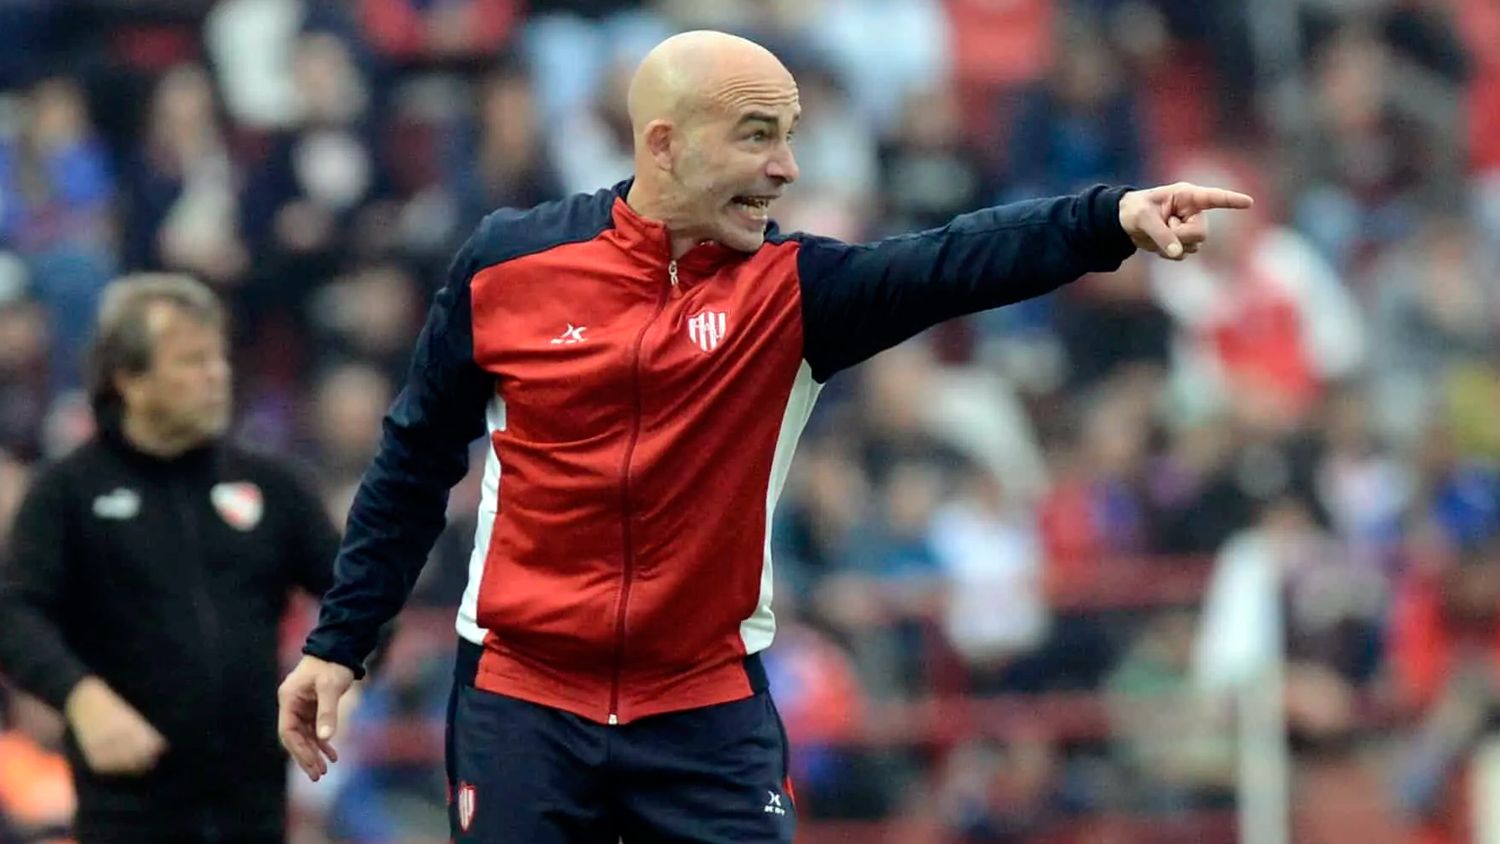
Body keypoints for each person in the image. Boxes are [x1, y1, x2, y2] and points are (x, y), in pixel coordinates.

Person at [278, 30, 1253, 844]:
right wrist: (340, 643)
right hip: (521, 698)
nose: (786, 168)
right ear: (664, 144)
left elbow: (952, 261)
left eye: (790, 137)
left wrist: (1108, 220)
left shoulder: (794, 293)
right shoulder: (507, 264)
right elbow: (412, 461)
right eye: (758, 137)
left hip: (703, 710)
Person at [0, 273, 341, 843]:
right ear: (129, 380)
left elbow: (357, 591)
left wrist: (344, 673)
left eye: (218, 357)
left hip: (254, 801)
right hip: (127, 803)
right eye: (191, 361)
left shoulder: (271, 485)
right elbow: (15, 614)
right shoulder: (67, 492)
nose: (217, 375)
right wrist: (80, 697)